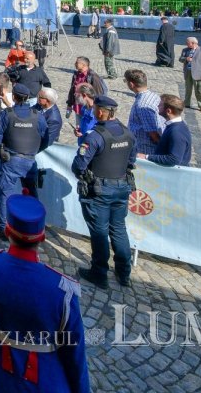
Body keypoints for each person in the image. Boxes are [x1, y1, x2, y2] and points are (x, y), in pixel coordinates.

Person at [0, 196, 90, 393]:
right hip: (45, 383)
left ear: (7, 231)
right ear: (42, 238)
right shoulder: (62, 290)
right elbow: (74, 353)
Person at [71, 94, 135, 288]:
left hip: (100, 190)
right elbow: (131, 161)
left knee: (99, 232)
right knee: (119, 229)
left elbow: (79, 165)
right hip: (122, 187)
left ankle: (99, 272)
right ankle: (124, 273)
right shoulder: (127, 133)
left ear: (100, 111)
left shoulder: (96, 136)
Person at [0, 83, 49, 239]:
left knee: (6, 195)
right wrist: (33, 151)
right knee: (32, 195)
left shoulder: (6, 114)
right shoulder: (38, 116)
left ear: (14, 97)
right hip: (30, 161)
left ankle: (3, 229)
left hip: (11, 160)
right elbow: (46, 139)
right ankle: (35, 228)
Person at [138, 94, 193, 167]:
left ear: (168, 111)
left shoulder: (176, 132)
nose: (157, 107)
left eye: (160, 105)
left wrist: (146, 157)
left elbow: (174, 159)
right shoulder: (176, 125)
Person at [123, 69, 165, 155]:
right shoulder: (153, 95)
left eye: (125, 81)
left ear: (131, 84)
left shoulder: (142, 105)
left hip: (145, 149)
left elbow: (153, 133)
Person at [179, 36, 201, 113]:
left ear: (193, 43)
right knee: (188, 89)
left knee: (199, 91)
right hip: (188, 72)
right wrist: (186, 59)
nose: (186, 44)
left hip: (198, 74)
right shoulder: (185, 50)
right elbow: (180, 59)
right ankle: (186, 103)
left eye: (188, 43)